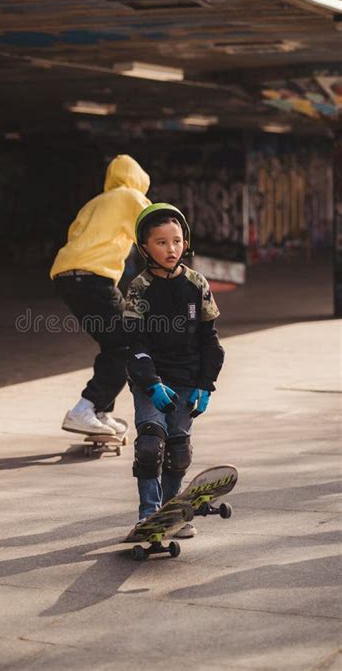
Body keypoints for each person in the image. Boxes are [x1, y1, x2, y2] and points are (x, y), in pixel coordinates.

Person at [124, 203, 225, 539]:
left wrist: (205, 385)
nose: (171, 249)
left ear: (186, 242)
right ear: (144, 247)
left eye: (177, 241)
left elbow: (210, 340)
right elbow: (133, 343)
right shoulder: (139, 287)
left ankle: (172, 511)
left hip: (187, 380)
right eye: (161, 242)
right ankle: (148, 513)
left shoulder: (197, 283)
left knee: (178, 450)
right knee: (151, 444)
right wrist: (150, 383)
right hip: (151, 380)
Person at [51, 154, 151, 437]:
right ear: (138, 180)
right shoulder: (130, 196)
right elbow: (155, 227)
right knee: (128, 345)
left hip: (68, 278)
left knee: (115, 343)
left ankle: (100, 411)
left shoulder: (95, 202)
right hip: (92, 278)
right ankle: (85, 408)